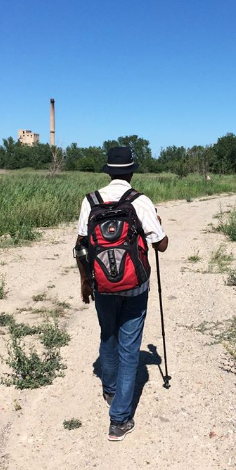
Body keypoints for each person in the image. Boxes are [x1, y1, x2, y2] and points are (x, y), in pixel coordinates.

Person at [75, 146, 169, 441]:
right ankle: (119, 420)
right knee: (130, 349)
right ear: (130, 171)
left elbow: (80, 246)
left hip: (102, 284)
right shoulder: (140, 201)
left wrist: (85, 281)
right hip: (135, 286)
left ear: (109, 171)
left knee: (107, 335)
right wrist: (158, 224)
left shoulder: (90, 201)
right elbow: (161, 245)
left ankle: (110, 389)